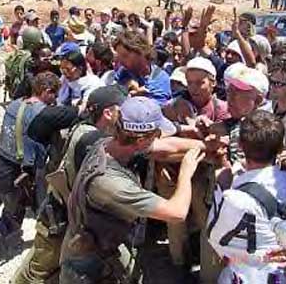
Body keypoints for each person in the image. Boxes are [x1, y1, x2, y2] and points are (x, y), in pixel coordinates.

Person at [59, 96, 205, 284]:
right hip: (88, 268)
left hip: (101, 250)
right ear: (141, 139)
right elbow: (176, 213)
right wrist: (185, 173)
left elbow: (161, 147)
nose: (159, 137)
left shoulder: (108, 144)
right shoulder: (109, 183)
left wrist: (204, 146)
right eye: (156, 133)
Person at [0, 71, 79, 277]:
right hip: (16, 176)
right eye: (53, 95)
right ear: (46, 92)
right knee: (10, 220)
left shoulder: (14, 104)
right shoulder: (43, 115)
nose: (55, 100)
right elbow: (75, 114)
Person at [10, 85, 127, 284]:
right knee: (37, 273)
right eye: (123, 111)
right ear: (108, 113)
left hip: (66, 217)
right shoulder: (93, 138)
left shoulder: (81, 126)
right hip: (59, 221)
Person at [207, 110, 286, 283]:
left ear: (240, 145)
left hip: (246, 275)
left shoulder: (234, 198)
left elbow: (215, 237)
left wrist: (222, 175)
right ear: (280, 148)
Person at [163, 57, 230, 135]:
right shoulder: (175, 105)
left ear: (213, 83)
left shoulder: (222, 109)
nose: (193, 88)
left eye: (199, 83)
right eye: (189, 82)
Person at [114, 31, 172, 106]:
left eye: (125, 56)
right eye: (119, 57)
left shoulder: (160, 79)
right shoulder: (123, 72)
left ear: (141, 52)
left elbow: (157, 111)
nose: (121, 62)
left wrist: (139, 97)